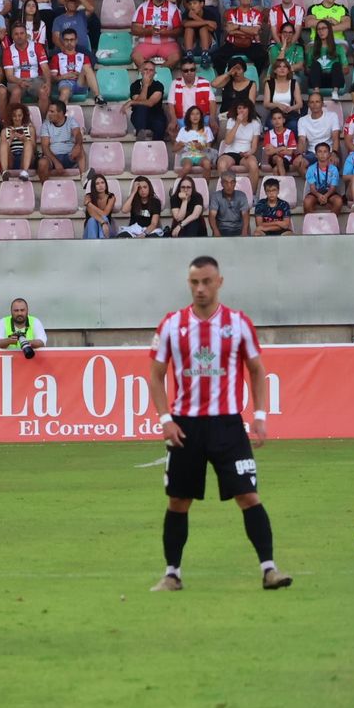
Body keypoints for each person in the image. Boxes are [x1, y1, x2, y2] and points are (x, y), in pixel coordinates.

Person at [149, 255, 293, 594]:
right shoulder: (171, 324)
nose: (200, 288)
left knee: (248, 495)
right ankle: (172, 574)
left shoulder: (238, 323)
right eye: (194, 282)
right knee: (178, 502)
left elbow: (256, 369)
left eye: (206, 282)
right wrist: (165, 418)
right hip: (185, 427)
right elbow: (155, 376)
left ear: (219, 282)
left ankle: (269, 569)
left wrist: (260, 415)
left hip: (228, 426)